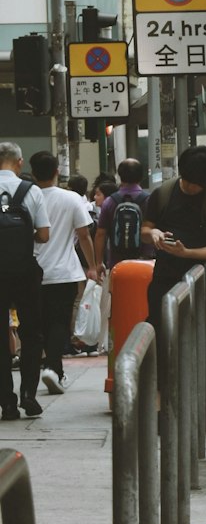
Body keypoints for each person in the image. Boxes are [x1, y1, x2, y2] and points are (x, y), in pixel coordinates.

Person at [142, 145, 206, 330]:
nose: (191, 187)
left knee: (196, 336)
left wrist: (186, 253)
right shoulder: (163, 194)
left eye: (197, 184)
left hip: (201, 285)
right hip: (163, 279)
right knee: (161, 331)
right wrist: (153, 233)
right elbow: (144, 231)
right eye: (188, 180)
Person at [29, 152, 97, 395]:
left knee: (42, 323)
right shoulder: (71, 199)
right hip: (65, 272)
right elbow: (84, 235)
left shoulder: (27, 197)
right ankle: (52, 368)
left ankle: (53, 368)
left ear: (33, 172)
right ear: (57, 171)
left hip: (33, 272)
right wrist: (92, 266)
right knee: (59, 321)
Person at [0, 142, 49, 420]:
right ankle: (29, 395)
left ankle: (6, 402)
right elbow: (44, 235)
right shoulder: (31, 191)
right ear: (19, 163)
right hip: (25, 271)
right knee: (32, 333)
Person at [95, 159, 152, 272]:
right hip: (145, 261)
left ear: (120, 176)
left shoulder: (110, 201)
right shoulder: (149, 200)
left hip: (117, 263)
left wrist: (99, 262)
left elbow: (100, 234)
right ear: (141, 176)